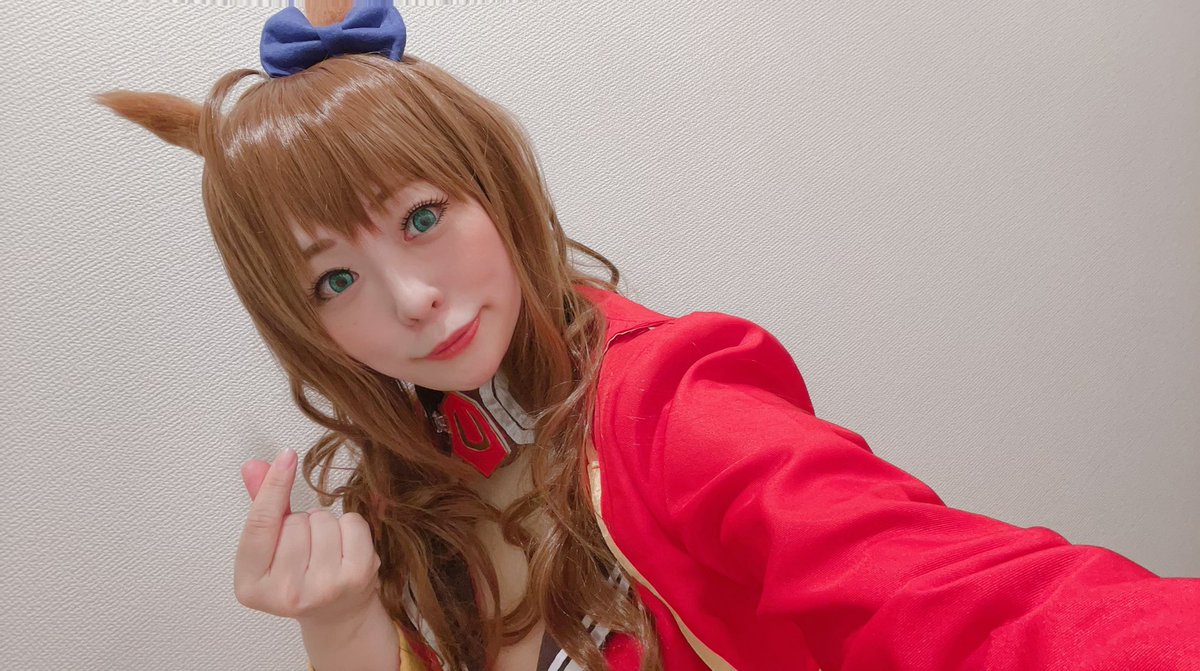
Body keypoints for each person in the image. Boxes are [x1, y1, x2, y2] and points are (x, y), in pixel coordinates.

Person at [94, 1, 1200, 669]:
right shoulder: (402, 491)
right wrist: (337, 626)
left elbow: (981, 602)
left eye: (423, 217)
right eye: (336, 278)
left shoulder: (670, 413)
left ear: (496, 190)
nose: (412, 299)